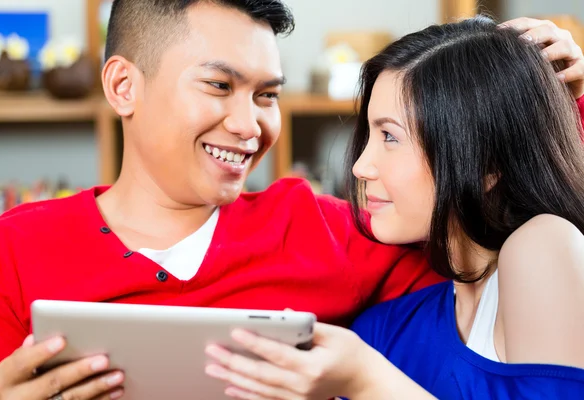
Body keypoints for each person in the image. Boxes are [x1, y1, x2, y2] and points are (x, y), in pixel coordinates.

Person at [0, 1, 580, 397]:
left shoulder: (338, 231)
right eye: (219, 86)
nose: (249, 125)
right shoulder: (9, 249)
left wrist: (556, 107)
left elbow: (492, 212)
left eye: (266, 94)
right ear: (122, 86)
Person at [202, 16, 584, 400]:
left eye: (390, 137)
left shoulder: (542, 246)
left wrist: (367, 381)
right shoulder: (381, 332)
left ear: (487, 164)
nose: (360, 167)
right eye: (370, 134)